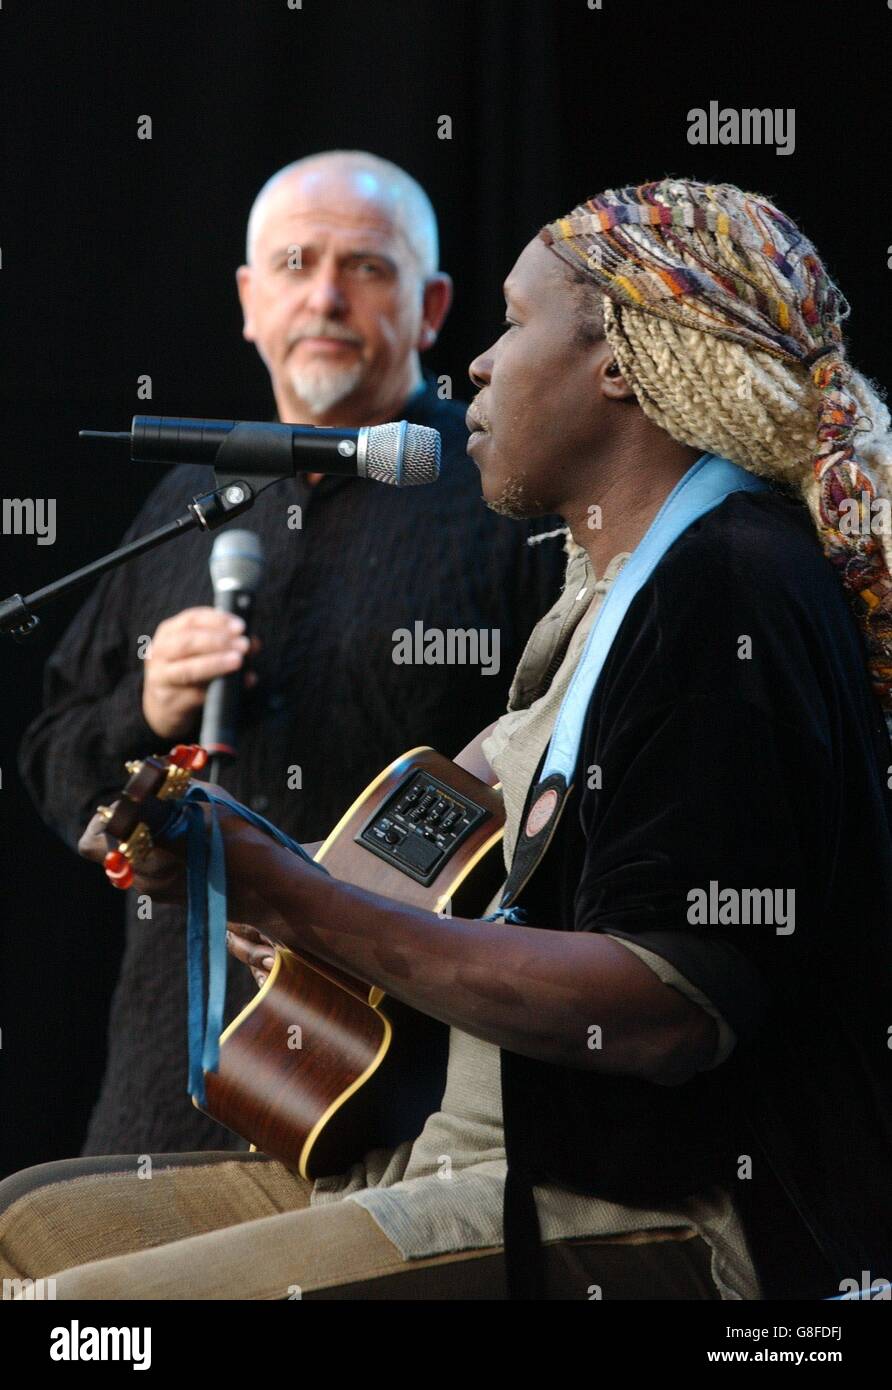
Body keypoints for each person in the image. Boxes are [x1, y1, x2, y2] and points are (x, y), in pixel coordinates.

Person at [5, 177, 892, 1301]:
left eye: (514, 325)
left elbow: (666, 1007)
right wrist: (291, 882)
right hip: (423, 1146)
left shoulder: (727, 585)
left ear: (621, 361)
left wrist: (288, 892)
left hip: (627, 1203)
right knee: (21, 1226)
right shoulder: (608, 588)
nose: (476, 365)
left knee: (70, 1318)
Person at [17, 151, 564, 1156]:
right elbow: (58, 764)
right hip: (159, 1080)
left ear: (432, 304)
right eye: (295, 263)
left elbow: (558, 771)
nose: (324, 294)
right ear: (247, 298)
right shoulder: (185, 499)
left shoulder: (505, 497)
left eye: (366, 267)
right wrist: (145, 707)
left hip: (394, 1091)